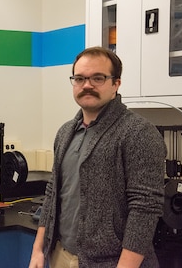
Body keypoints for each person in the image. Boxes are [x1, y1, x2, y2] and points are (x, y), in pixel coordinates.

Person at [28, 46, 166, 268]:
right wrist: (38, 250)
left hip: (112, 262)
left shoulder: (138, 132)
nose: (87, 85)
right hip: (60, 255)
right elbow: (52, 194)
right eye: (80, 78)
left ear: (116, 83)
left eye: (98, 78)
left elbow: (145, 208)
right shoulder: (65, 132)